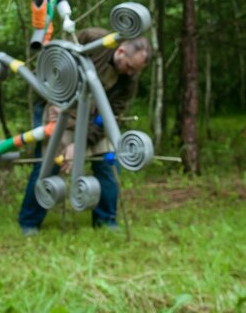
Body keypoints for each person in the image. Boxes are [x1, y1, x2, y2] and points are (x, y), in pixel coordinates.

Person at [18, 28, 151, 235]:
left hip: (91, 122)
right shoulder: (94, 41)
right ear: (121, 51)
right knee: (47, 165)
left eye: (135, 71)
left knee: (107, 165)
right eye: (129, 67)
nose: (130, 73)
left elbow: (108, 118)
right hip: (58, 109)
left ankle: (106, 221)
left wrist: (79, 145)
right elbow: (57, 60)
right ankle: (29, 222)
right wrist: (51, 99)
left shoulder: (128, 81)